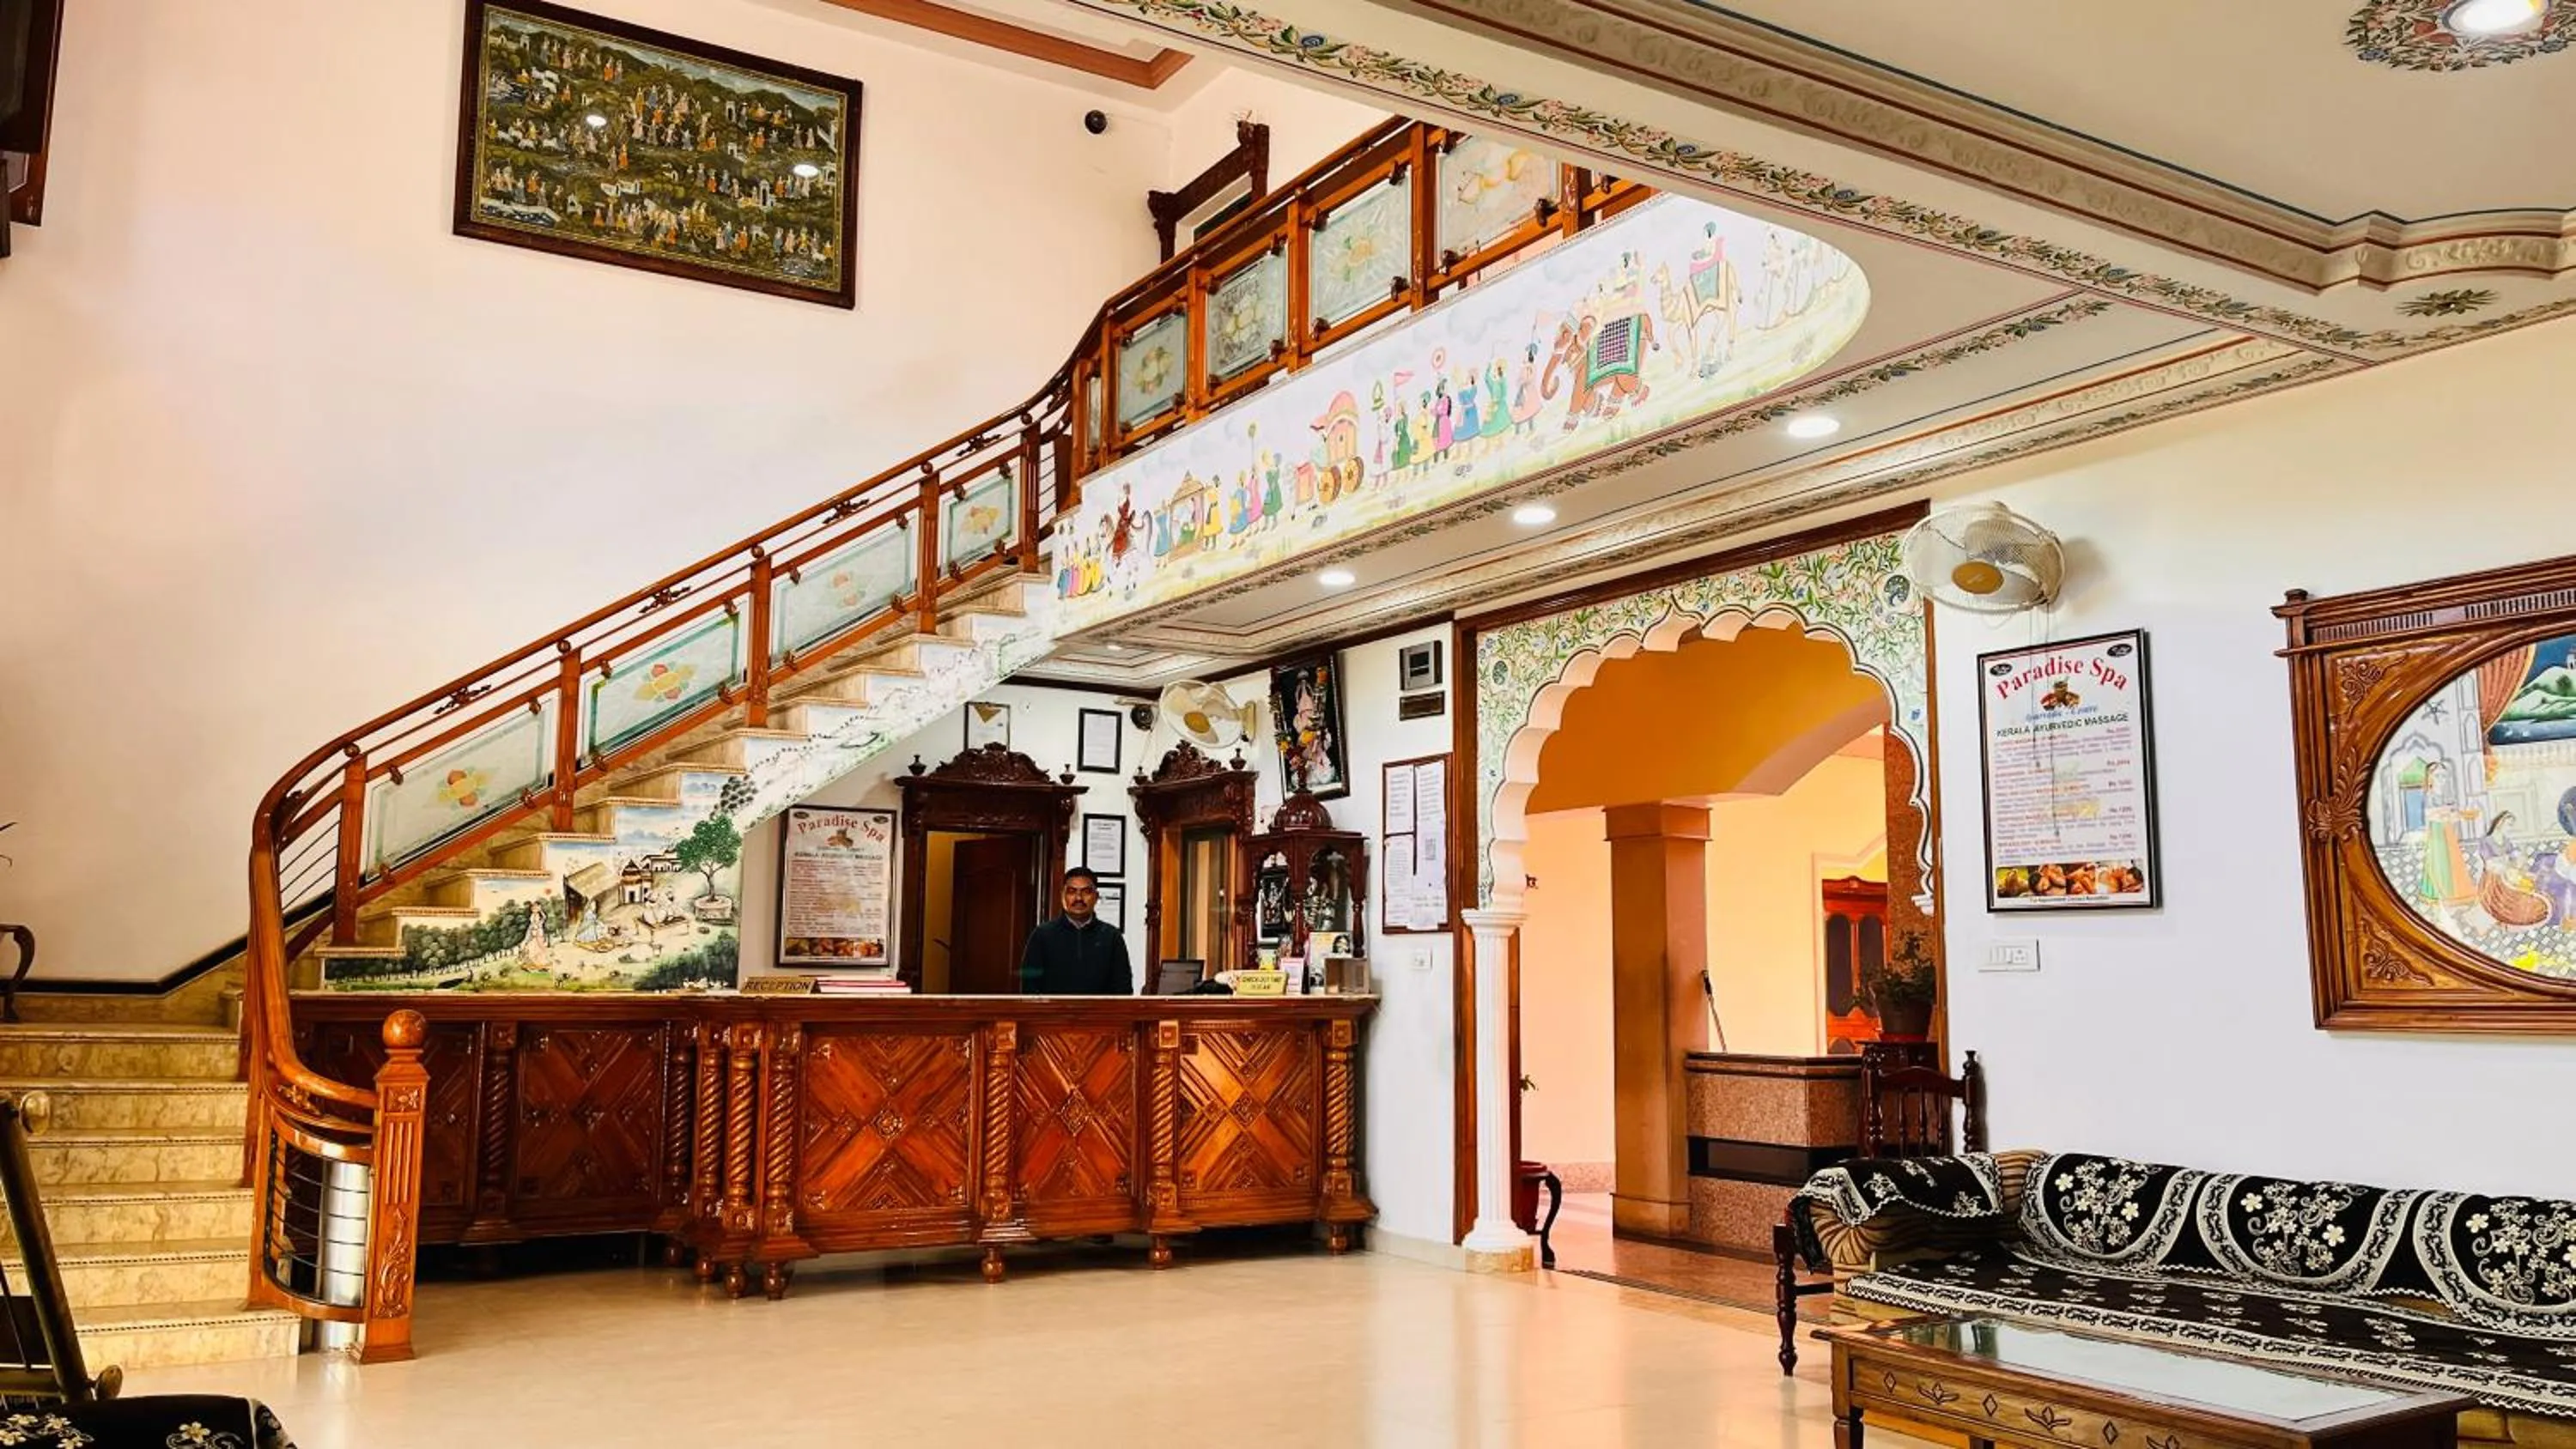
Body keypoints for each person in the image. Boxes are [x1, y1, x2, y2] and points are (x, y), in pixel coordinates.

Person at [1018, 868, 1131, 996]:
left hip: (1099, 1015)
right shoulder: (1042, 935)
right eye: (1072, 891)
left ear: (1096, 897)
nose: (1078, 898)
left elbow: (1123, 989)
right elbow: (1029, 987)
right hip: (1053, 1014)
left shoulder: (1112, 936)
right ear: (1063, 896)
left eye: (1086, 892)